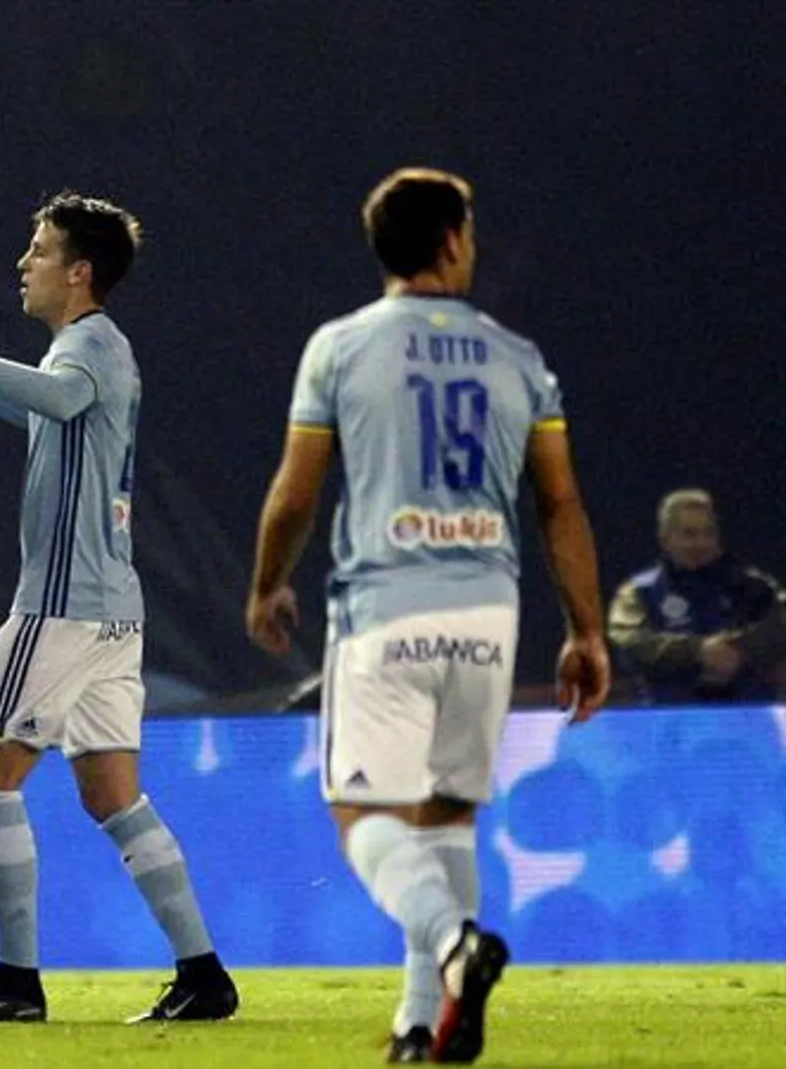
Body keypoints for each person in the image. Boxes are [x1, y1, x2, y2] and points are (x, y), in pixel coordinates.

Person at [244, 168, 609, 1064]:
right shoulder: (519, 357)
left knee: (361, 813)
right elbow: (559, 504)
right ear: (450, 241)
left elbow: (298, 488)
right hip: (488, 612)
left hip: (384, 608)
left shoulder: (339, 347)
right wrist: (587, 630)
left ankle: (453, 944)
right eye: (470, 231)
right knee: (444, 822)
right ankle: (420, 1024)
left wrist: (267, 582)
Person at [0, 191, 237, 1026]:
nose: (24, 263)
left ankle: (16, 980)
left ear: (79, 271)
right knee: (114, 794)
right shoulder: (87, 355)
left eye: (39, 249)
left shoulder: (89, 345)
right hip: (113, 609)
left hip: (59, 604)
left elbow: (57, 402)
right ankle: (203, 971)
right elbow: (49, 412)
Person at [607, 489, 786, 704]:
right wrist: (697, 652)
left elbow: (780, 622)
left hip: (750, 713)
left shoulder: (753, 585)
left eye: (708, 533)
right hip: (668, 717)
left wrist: (741, 649)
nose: (701, 543)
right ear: (665, 539)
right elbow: (628, 640)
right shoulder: (638, 593)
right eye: (689, 534)